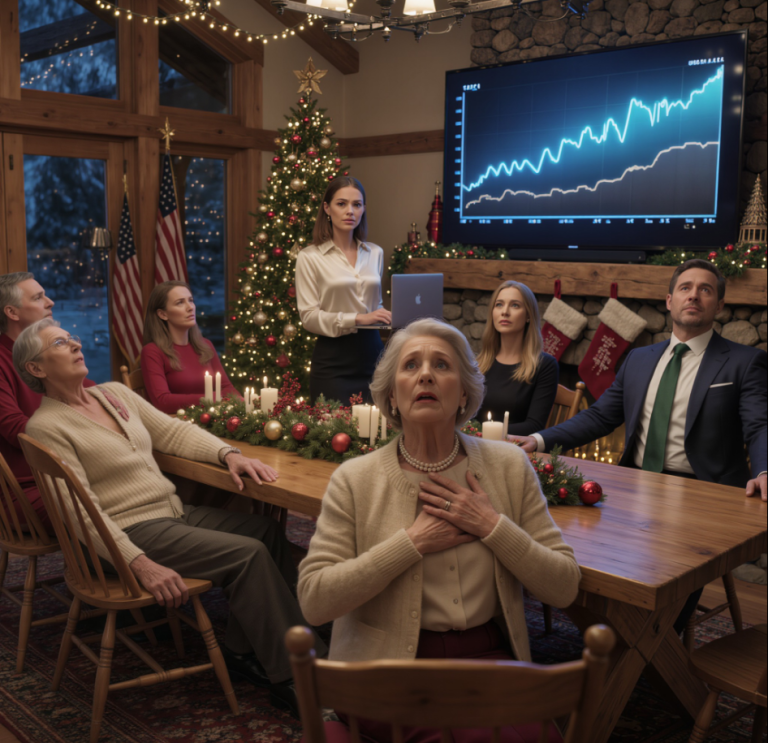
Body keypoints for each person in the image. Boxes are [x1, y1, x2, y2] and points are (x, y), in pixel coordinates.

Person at [15, 318, 326, 716]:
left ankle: (245, 648)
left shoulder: (112, 393)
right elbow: (82, 515)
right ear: (36, 369)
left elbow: (174, 433)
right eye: (60, 342)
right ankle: (297, 675)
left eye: (73, 337)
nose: (76, 344)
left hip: (174, 512)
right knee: (247, 554)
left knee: (265, 530)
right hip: (131, 531)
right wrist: (139, 564)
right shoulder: (45, 427)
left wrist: (228, 454)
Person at [298, 318, 580, 743]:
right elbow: (315, 601)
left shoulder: (508, 466)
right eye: (410, 365)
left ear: (464, 391)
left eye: (442, 365)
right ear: (392, 395)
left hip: (487, 657)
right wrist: (411, 544)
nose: (426, 374)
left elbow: (564, 587)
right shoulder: (355, 479)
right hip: (385, 668)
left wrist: (491, 526)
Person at [511, 259, 767, 631]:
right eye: (685, 287)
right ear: (668, 300)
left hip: (703, 495)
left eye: (705, 289)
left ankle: (637, 646)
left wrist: (764, 469)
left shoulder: (745, 362)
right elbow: (599, 417)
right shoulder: (639, 359)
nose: (694, 294)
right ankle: (604, 632)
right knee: (571, 555)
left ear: (719, 306)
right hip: (633, 487)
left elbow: (760, 425)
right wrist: (538, 440)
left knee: (661, 602)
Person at [0, 272, 94, 532]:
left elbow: (93, 395)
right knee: (120, 503)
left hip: (73, 474)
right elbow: (13, 427)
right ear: (12, 312)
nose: (50, 302)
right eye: (39, 297)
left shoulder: (49, 351)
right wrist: (82, 431)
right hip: (28, 488)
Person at [295, 176, 391, 405]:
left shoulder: (375, 253)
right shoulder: (309, 257)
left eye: (356, 205)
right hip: (333, 362)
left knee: (376, 434)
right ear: (327, 208)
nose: (350, 211)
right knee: (334, 436)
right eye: (342, 204)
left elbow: (374, 305)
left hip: (374, 357)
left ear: (363, 209)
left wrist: (384, 316)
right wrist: (358, 318)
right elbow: (308, 317)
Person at [141, 281, 239, 414]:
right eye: (180, 302)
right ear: (163, 314)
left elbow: (226, 387)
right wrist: (211, 399)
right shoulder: (152, 351)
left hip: (212, 419)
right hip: (177, 426)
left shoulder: (205, 345)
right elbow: (162, 401)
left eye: (191, 300)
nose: (190, 307)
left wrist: (243, 403)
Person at [477, 280, 558, 435]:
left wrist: (483, 433)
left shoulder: (545, 365)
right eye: (499, 304)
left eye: (515, 305)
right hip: (474, 447)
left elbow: (534, 426)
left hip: (516, 450)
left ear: (528, 315)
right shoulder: (479, 363)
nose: (504, 312)